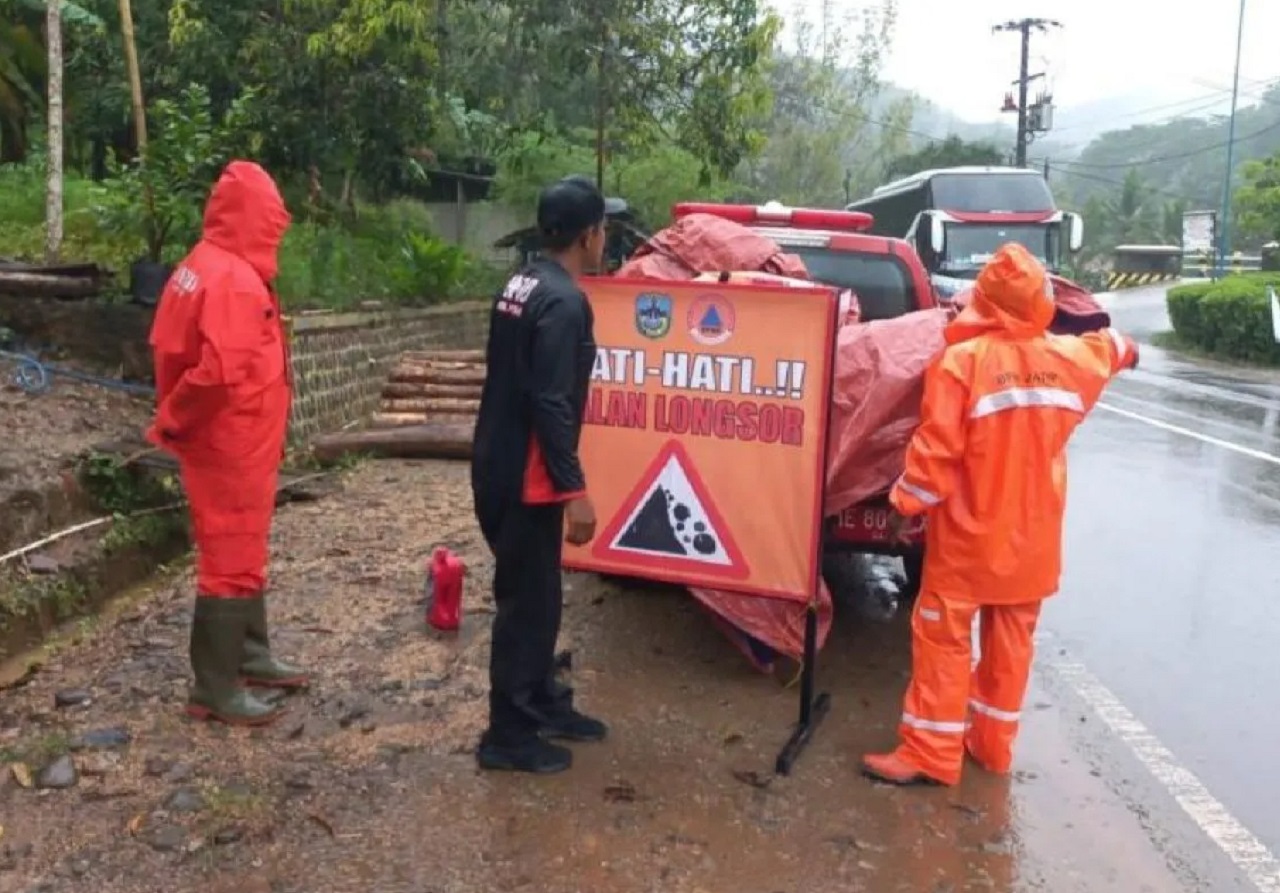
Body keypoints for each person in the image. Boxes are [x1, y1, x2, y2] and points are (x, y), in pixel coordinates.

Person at [863, 242, 1138, 786]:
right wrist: (1126, 349)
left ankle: (930, 754)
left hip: (968, 543)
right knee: (1010, 649)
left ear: (982, 301)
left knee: (943, 641)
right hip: (1032, 545)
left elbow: (934, 455)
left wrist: (903, 507)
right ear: (1041, 303)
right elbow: (1113, 347)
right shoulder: (1070, 358)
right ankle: (991, 748)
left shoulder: (961, 363)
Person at [146, 160, 308, 727]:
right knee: (229, 558)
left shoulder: (203, 264)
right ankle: (215, 687)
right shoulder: (234, 281)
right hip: (229, 442)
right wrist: (177, 418)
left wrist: (175, 417)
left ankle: (250, 654)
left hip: (239, 439)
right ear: (256, 218)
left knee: (243, 548)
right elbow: (215, 374)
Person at [470, 175, 610, 774]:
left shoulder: (521, 281)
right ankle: (507, 734)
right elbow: (550, 401)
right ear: (589, 236)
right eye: (603, 230)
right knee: (526, 605)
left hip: (497, 460)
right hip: (527, 474)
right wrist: (574, 489)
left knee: (541, 597)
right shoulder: (563, 301)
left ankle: (543, 702)